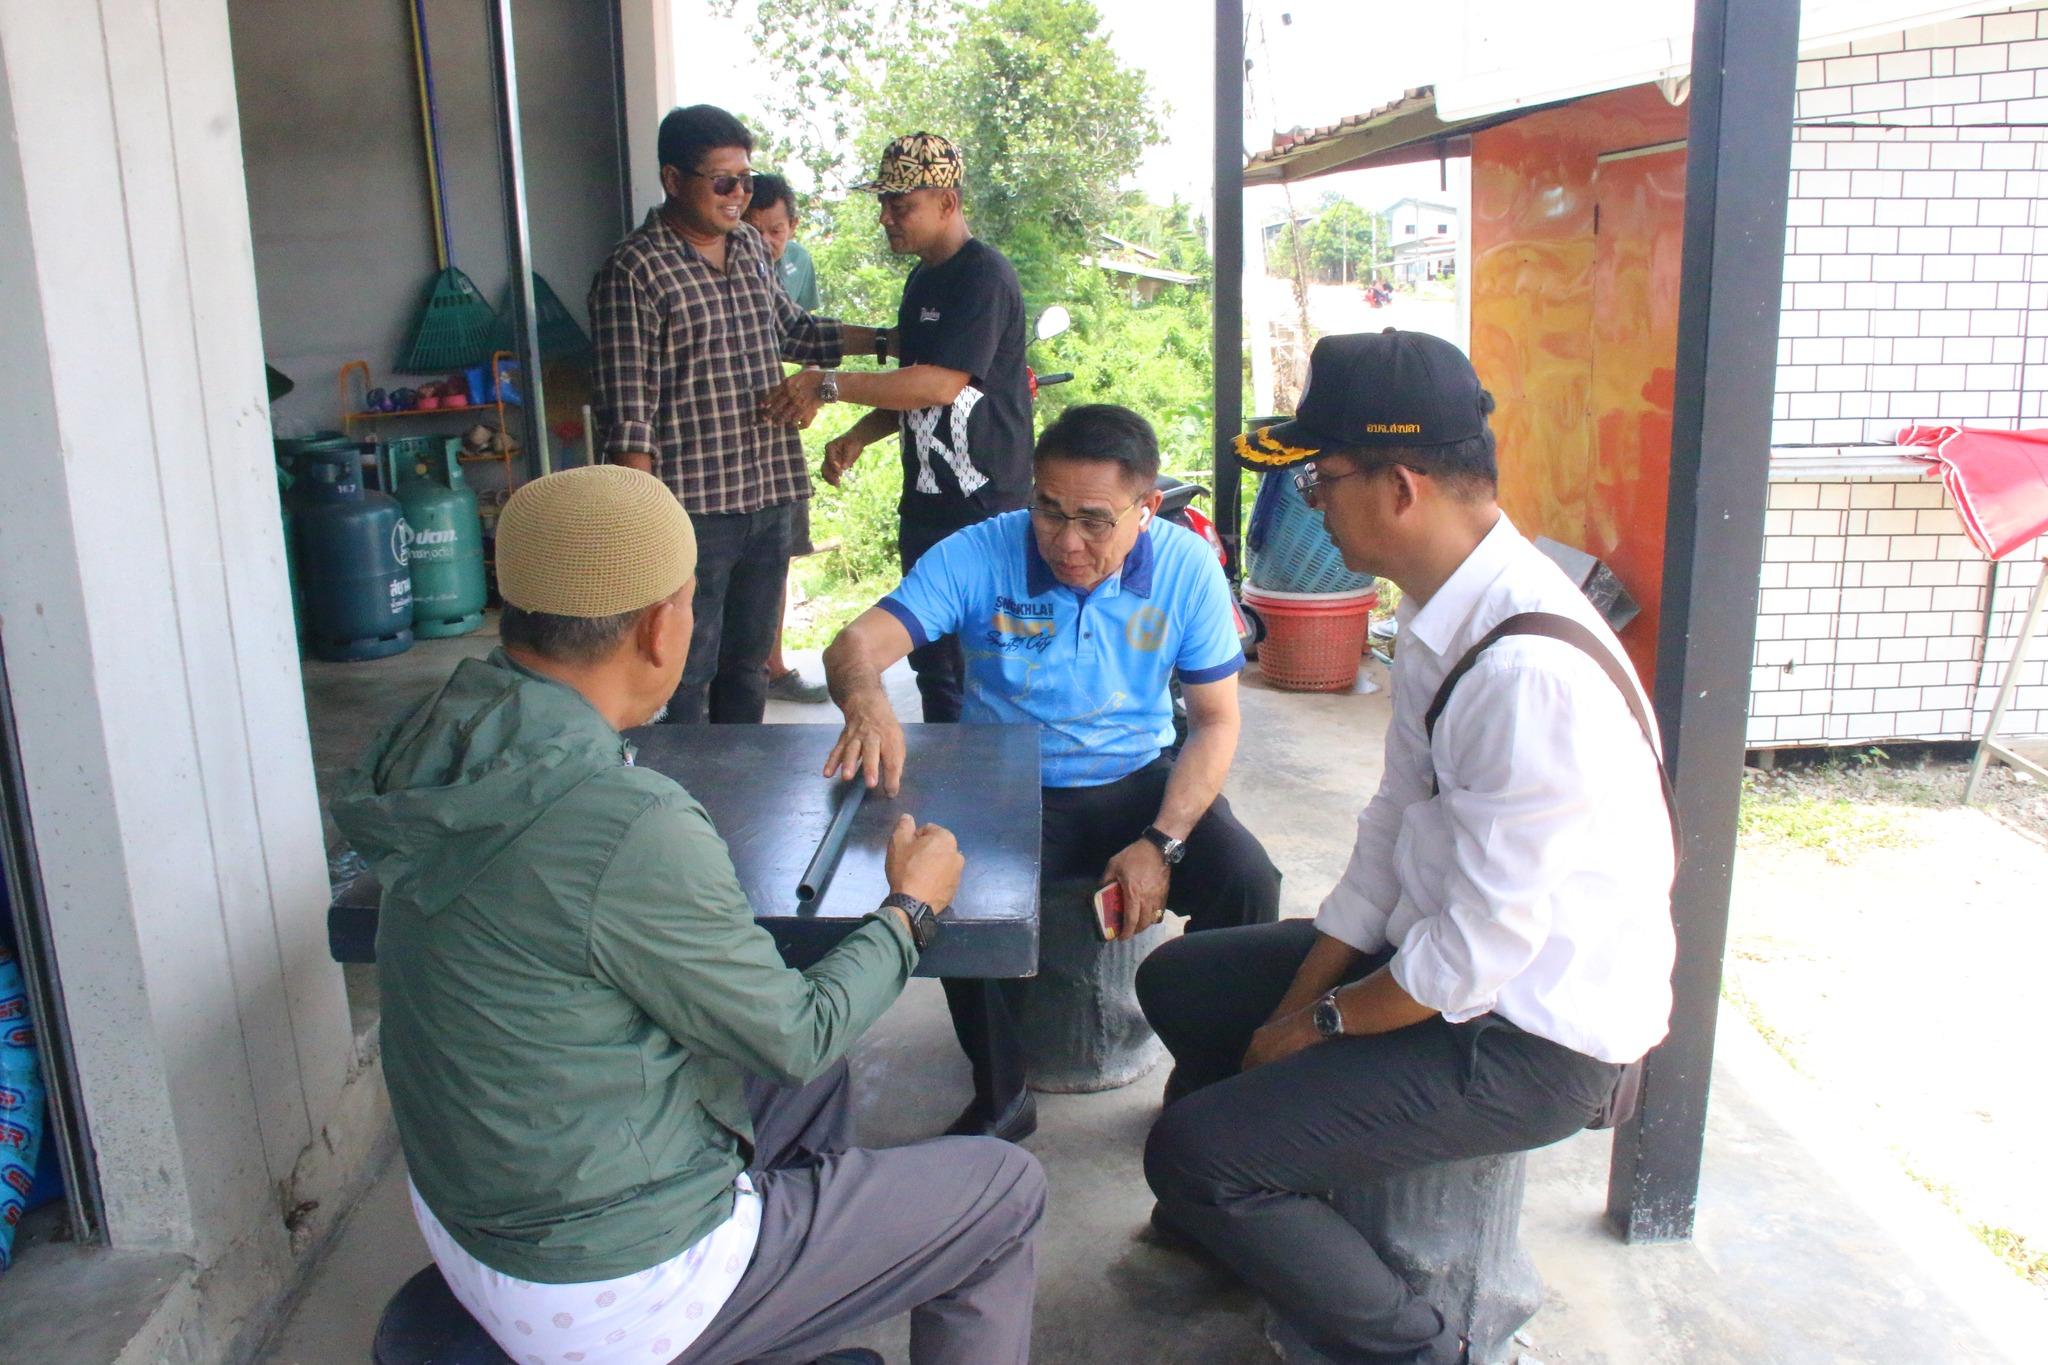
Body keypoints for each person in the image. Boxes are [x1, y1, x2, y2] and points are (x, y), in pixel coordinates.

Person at [331, 465, 1043, 1365]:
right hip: (607, 1284)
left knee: (806, 1081)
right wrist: (912, 908)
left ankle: (779, 1320)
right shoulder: (626, 820)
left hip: (473, 1218)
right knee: (1003, 1189)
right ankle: (746, 1293)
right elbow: (798, 1032)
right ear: (662, 625)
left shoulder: (439, 733)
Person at [1137, 332, 1676, 1365]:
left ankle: (1421, 1348)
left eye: (1319, 480)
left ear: (1399, 487)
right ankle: (1249, 1221)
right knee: (1181, 982)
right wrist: (1307, 993)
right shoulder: (1445, 610)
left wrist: (1318, 1024)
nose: (1311, 505)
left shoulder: (1524, 673)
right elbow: (1393, 825)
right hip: (1443, 957)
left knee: (1194, 1156)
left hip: (1527, 1038)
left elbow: (1473, 958)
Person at [821, 404, 1282, 1141]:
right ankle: (1002, 1094)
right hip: (1006, 782)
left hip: (1139, 777)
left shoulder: (1187, 567)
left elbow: (1215, 722)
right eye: (1049, 509)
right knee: (947, 894)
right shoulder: (982, 551)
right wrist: (867, 701)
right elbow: (854, 644)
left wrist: (1161, 841)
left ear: (1146, 508)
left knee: (1248, 882)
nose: (1066, 541)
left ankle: (1205, 1081)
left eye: (1095, 520)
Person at [589, 104, 888, 725]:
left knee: (748, 666)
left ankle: (743, 781)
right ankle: (683, 784)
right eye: (723, 181)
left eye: (746, 181)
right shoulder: (634, 270)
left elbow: (796, 331)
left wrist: (889, 339)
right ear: (674, 180)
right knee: (684, 672)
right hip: (692, 511)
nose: (739, 196)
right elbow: (628, 417)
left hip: (768, 492)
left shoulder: (750, 245)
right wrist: (648, 532)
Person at [763, 132, 1033, 724]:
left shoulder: (984, 277)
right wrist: (860, 435)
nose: (885, 216)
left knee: (988, 672)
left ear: (947, 202)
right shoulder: (921, 282)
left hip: (986, 511)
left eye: (901, 204)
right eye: (883, 202)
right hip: (926, 510)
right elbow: (914, 385)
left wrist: (827, 384)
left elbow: (941, 385)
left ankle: (992, 781)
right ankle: (944, 778)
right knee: (935, 670)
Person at [743, 171, 830, 705]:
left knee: (778, 553)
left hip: (776, 431)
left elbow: (805, 336)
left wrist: (812, 395)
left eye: (775, 231)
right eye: (754, 229)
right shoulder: (725, 260)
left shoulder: (797, 264)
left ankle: (771, 667)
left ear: (792, 227)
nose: (766, 241)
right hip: (725, 438)